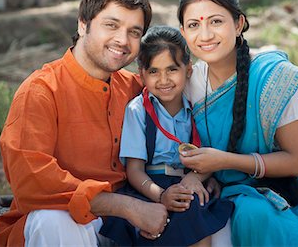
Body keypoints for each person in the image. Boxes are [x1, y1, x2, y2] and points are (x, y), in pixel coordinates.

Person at [0, 0, 170, 247]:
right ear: (83, 24)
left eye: (135, 32)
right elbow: (31, 179)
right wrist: (125, 206)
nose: (123, 40)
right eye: (111, 25)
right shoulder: (41, 91)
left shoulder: (136, 89)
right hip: (66, 227)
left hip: (125, 227)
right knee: (54, 219)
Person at [178, 0, 298, 246]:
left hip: (296, 192)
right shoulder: (188, 82)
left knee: (252, 215)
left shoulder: (275, 79)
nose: (204, 35)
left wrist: (225, 162)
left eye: (216, 22)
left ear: (238, 24)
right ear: (182, 31)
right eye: (194, 25)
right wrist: (200, 175)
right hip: (227, 188)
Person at [99, 26, 233, 246]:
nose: (163, 80)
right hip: (149, 186)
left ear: (188, 70)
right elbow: (134, 171)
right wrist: (161, 195)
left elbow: (209, 158)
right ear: (141, 74)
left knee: (198, 214)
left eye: (172, 69)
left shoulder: (198, 108)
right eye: (154, 71)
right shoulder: (138, 111)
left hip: (186, 184)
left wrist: (199, 178)